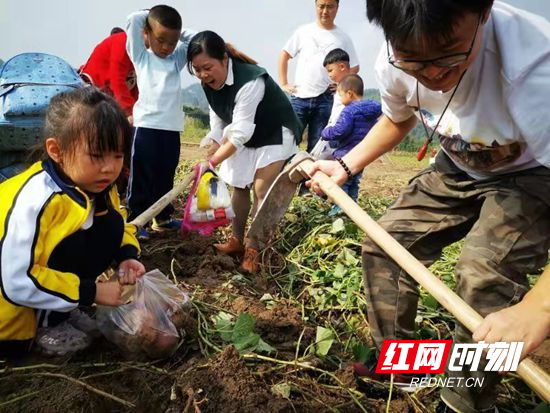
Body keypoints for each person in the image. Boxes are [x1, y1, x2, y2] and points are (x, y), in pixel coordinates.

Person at [303, 1, 550, 412]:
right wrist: (346, 165)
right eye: (416, 62)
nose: (433, 74)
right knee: (384, 244)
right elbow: (397, 117)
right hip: (457, 163)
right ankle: (403, 368)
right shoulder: (392, 55)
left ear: (483, 11)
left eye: (450, 53)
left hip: (533, 173)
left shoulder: (535, 68)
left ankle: (466, 400)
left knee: (483, 276)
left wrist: (538, 309)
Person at [0, 87, 145, 359]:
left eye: (117, 155)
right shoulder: (36, 201)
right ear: (56, 150)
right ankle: (44, 325)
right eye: (97, 155)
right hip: (8, 315)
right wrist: (91, 292)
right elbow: (16, 281)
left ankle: (60, 311)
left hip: (42, 288)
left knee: (108, 223)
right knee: (72, 239)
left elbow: (120, 227)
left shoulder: (96, 184)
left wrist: (126, 257)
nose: (110, 168)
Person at [187, 31, 302, 274]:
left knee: (261, 189)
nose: (203, 75)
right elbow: (218, 118)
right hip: (247, 132)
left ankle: (254, 249)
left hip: (274, 131)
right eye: (197, 70)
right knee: (239, 185)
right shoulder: (208, 84)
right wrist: (215, 145)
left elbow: (239, 134)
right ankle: (236, 241)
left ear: (225, 59)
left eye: (207, 67)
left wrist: (215, 160)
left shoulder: (251, 80)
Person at [125, 5, 196, 240]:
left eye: (172, 42)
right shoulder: (141, 56)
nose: (166, 47)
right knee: (142, 175)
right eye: (160, 39)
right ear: (147, 34)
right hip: (146, 126)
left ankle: (162, 218)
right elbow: (133, 19)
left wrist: (178, 31)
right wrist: (151, 16)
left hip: (171, 128)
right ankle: (137, 220)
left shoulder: (176, 60)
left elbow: (196, 39)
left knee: (166, 174)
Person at [278, 0, 359, 153]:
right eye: (321, 6)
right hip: (299, 97)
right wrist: (284, 83)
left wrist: (342, 84)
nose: (325, 11)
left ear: (337, 8)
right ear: (316, 6)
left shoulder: (343, 38)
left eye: (330, 6)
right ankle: (284, 175)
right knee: (288, 143)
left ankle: (309, 177)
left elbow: (354, 66)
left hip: (325, 99)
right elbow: (284, 55)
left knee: (317, 146)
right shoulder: (304, 32)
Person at [319, 74, 381, 215]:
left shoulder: (349, 110)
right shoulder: (373, 110)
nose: (340, 99)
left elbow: (341, 130)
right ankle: (352, 207)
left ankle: (340, 209)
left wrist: (326, 132)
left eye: (340, 95)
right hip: (363, 154)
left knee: (343, 182)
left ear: (350, 93)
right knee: (354, 181)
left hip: (346, 153)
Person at [79, 29, 138, 120]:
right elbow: (117, 80)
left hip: (108, 102)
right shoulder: (123, 41)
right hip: (91, 95)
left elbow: (137, 92)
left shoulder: (145, 57)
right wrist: (130, 113)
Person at [323, 48, 353, 127]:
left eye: (330, 70)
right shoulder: (342, 85)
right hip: (335, 124)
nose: (329, 75)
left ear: (342, 67)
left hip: (341, 125)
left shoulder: (351, 85)